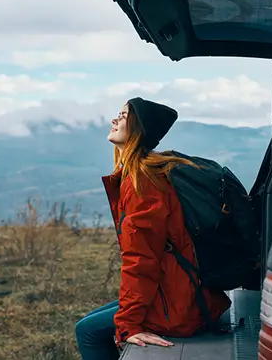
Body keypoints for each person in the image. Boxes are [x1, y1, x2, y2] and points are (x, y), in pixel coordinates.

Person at [75, 97, 231, 360]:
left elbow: (141, 260)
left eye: (123, 116)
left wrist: (129, 325)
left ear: (138, 129)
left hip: (180, 303)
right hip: (180, 289)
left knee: (87, 331)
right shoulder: (148, 172)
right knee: (92, 320)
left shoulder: (142, 183)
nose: (115, 120)